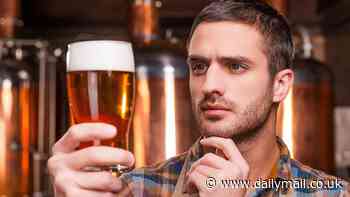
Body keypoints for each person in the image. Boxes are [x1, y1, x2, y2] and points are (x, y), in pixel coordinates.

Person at [48, 0, 350, 196]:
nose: (210, 85)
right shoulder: (129, 191)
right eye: (199, 66)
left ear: (280, 85)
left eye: (235, 66)